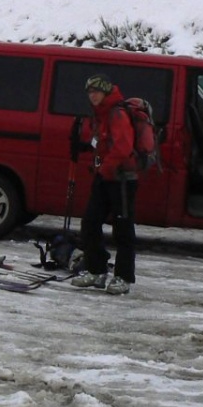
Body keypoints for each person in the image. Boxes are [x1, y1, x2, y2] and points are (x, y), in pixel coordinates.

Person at [69, 74, 139, 295]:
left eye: (96, 92)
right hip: (106, 176)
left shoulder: (116, 113)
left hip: (122, 179)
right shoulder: (99, 115)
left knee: (123, 229)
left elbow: (123, 147)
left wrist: (105, 168)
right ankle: (96, 269)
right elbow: (100, 143)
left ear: (106, 92)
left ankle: (124, 277)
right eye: (90, 92)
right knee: (90, 223)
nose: (93, 96)